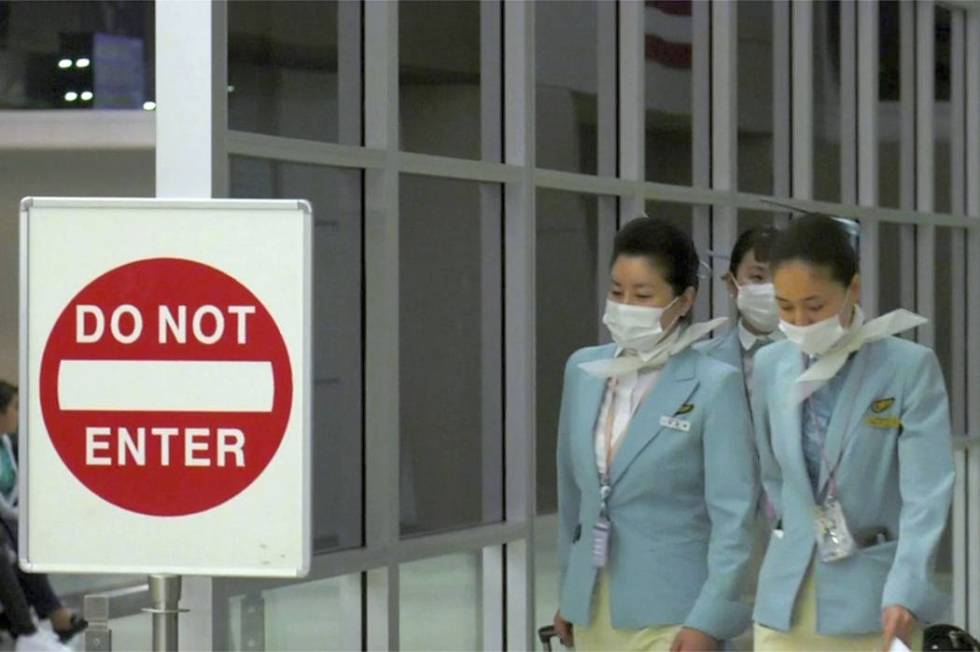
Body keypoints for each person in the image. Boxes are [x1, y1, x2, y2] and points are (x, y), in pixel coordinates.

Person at [552, 217, 758, 651]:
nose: (626, 305)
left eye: (643, 295)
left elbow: (734, 517)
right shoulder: (584, 370)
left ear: (684, 301)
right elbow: (573, 497)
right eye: (616, 291)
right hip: (593, 606)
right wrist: (569, 593)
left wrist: (709, 620)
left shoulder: (713, 383)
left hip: (675, 614)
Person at [751, 215, 954, 652]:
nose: (800, 320)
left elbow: (926, 493)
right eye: (785, 307)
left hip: (877, 603)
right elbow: (773, 476)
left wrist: (907, 588)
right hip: (784, 602)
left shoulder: (907, 367)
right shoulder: (771, 366)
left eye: (815, 305)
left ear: (854, 289)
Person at [0, 382, 87, 651]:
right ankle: (28, 627)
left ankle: (38, 620)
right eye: (14, 408)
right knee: (8, 542)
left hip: (6, 522)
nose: (18, 414)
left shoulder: (7, 445)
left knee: (19, 539)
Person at [696, 226, 781, 405]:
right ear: (731, 284)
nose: (771, 288)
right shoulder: (700, 359)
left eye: (780, 279)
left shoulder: (812, 357)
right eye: (757, 277)